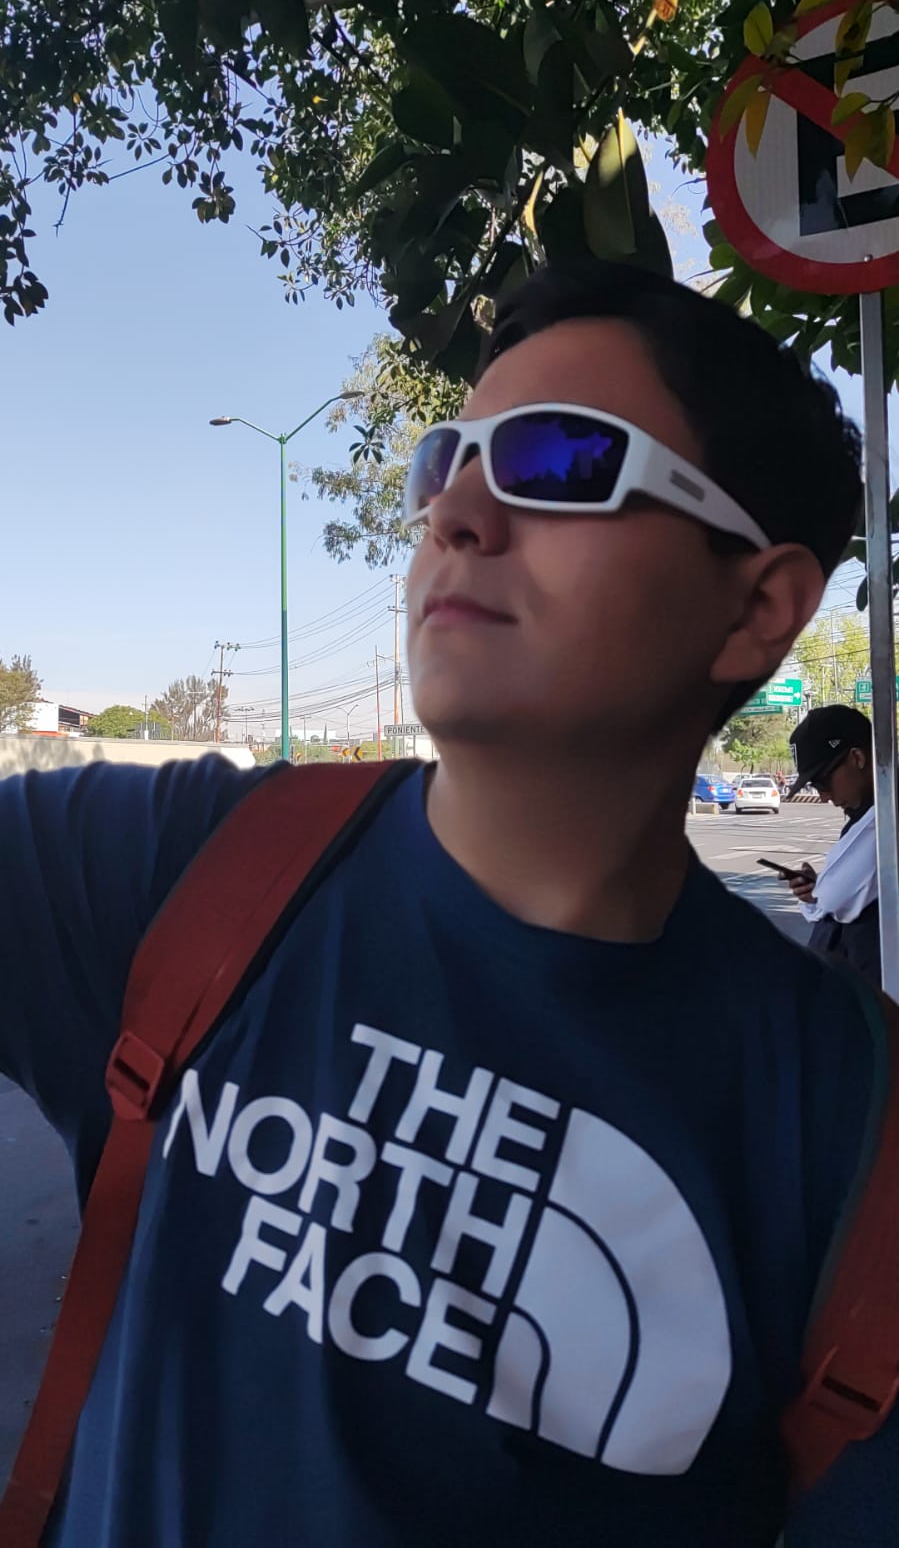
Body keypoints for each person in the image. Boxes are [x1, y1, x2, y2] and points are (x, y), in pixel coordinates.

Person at [1, 259, 894, 1547]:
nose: (454, 512)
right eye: (446, 460)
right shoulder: (176, 864)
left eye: (560, 462)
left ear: (757, 607)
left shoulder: (851, 1140)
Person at [785, 706, 880, 983]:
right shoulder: (866, 813)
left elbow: (834, 897)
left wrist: (821, 892)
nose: (824, 796)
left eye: (822, 782)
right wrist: (816, 892)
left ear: (857, 758)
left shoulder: (882, 819)